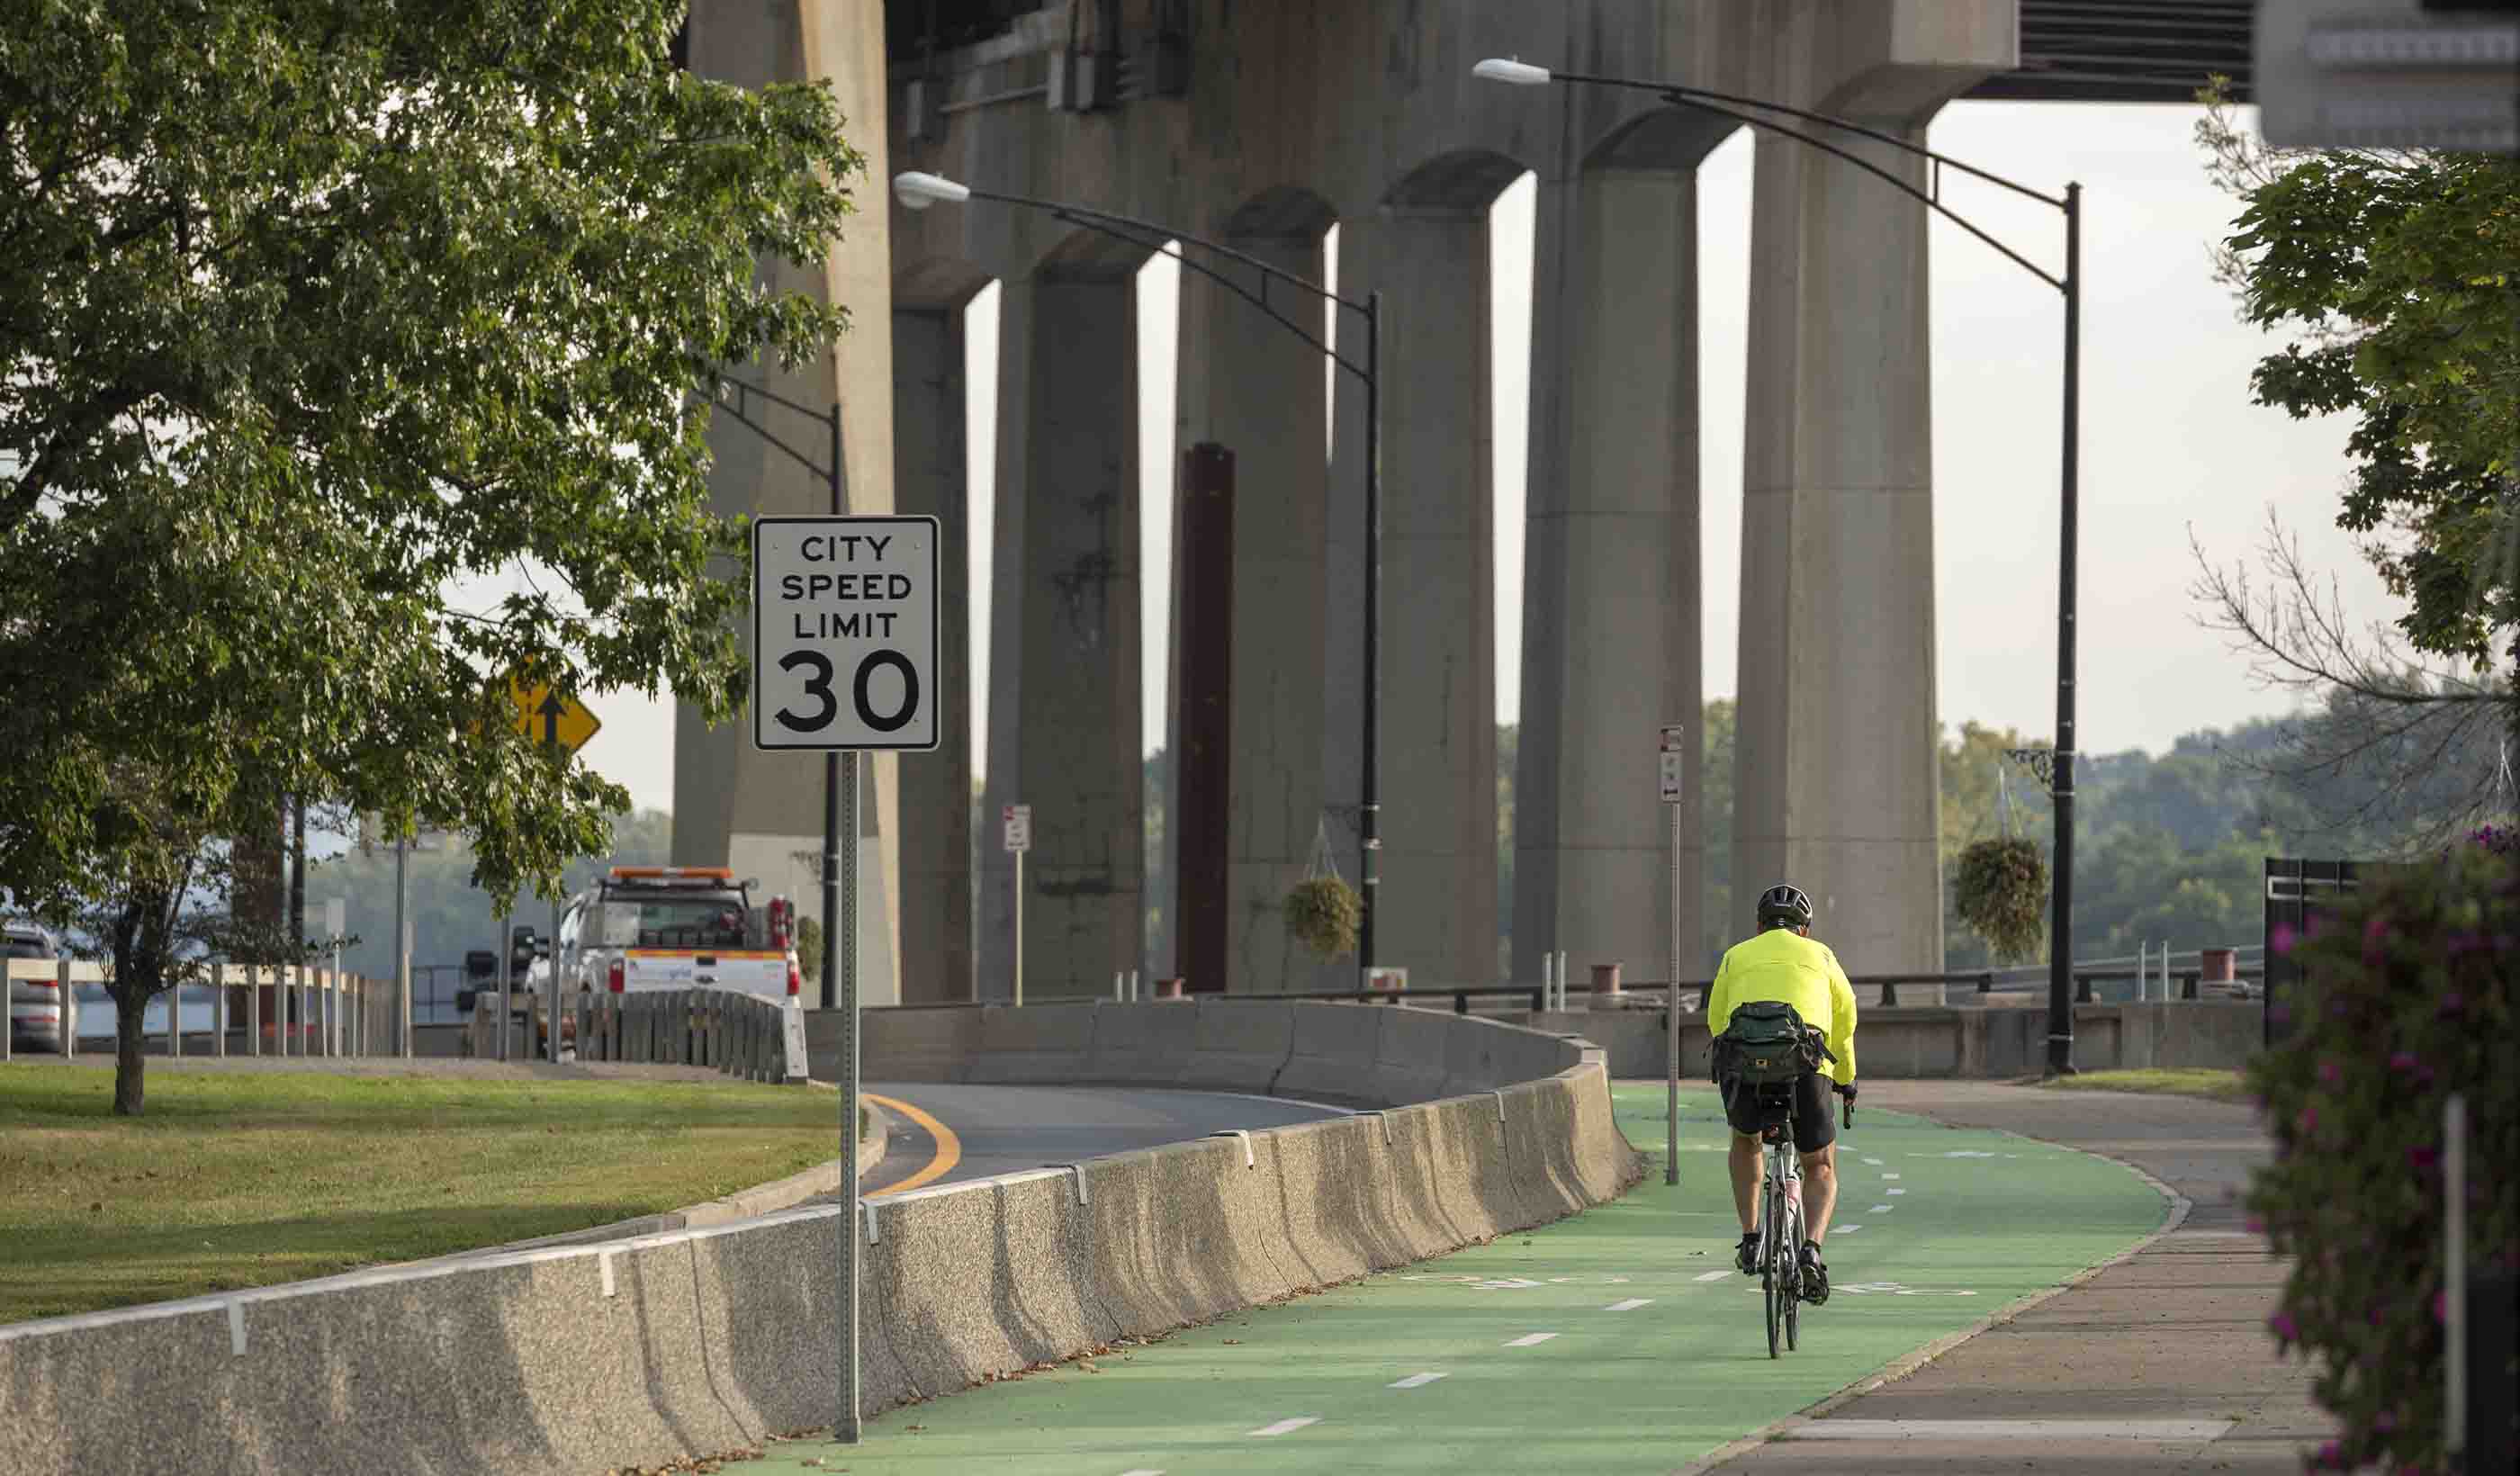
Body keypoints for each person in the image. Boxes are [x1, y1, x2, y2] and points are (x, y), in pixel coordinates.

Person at [1706, 882, 1858, 1304]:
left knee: (1745, 1141)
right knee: (1820, 1164)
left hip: (1744, 1068)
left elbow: (1717, 1021)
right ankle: (1811, 1250)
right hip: (1805, 1068)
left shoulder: (1736, 955)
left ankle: (1751, 1236)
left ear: (1760, 927)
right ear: (1804, 930)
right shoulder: (1822, 956)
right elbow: (1845, 1021)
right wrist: (1846, 1078)